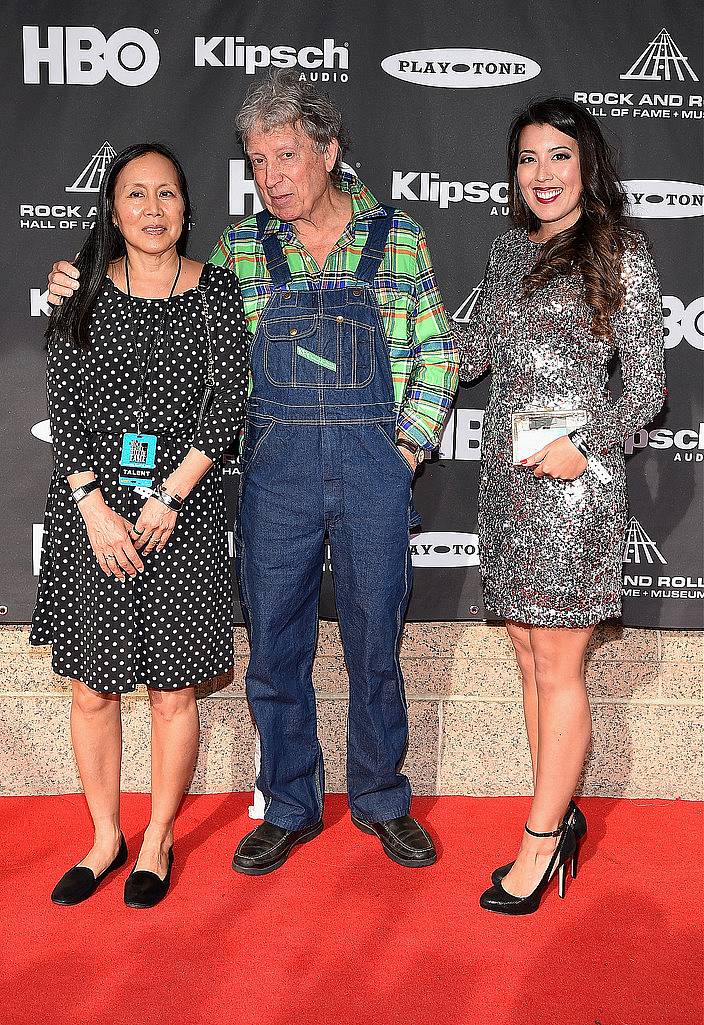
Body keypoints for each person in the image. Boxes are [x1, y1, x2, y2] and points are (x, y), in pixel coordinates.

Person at [48, 74, 458, 875]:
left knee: (376, 640)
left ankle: (380, 797)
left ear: (328, 152)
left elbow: (437, 355)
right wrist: (75, 284)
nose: (272, 175)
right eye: (258, 159)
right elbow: (167, 320)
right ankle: (291, 801)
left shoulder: (398, 238)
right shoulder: (239, 249)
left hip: (374, 465)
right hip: (276, 475)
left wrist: (401, 454)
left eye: (287, 154)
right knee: (275, 647)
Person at [454, 98, 665, 915]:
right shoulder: (507, 251)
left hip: (576, 484)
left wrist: (590, 445)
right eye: (527, 159)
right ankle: (558, 808)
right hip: (507, 484)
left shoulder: (622, 251)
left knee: (559, 661)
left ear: (588, 165)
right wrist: (400, 310)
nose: (541, 174)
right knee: (523, 648)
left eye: (558, 157)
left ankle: (540, 841)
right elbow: (473, 354)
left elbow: (646, 385)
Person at [36, 143, 249, 908]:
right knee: (92, 689)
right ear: (112, 210)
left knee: (171, 692)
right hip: (90, 518)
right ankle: (105, 836)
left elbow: (227, 405)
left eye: (167, 194)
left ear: (188, 208)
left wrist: (168, 497)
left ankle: (157, 835)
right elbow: (63, 407)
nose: (153, 209)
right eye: (135, 195)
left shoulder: (217, 291)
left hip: (179, 519)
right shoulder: (79, 291)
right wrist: (94, 507)